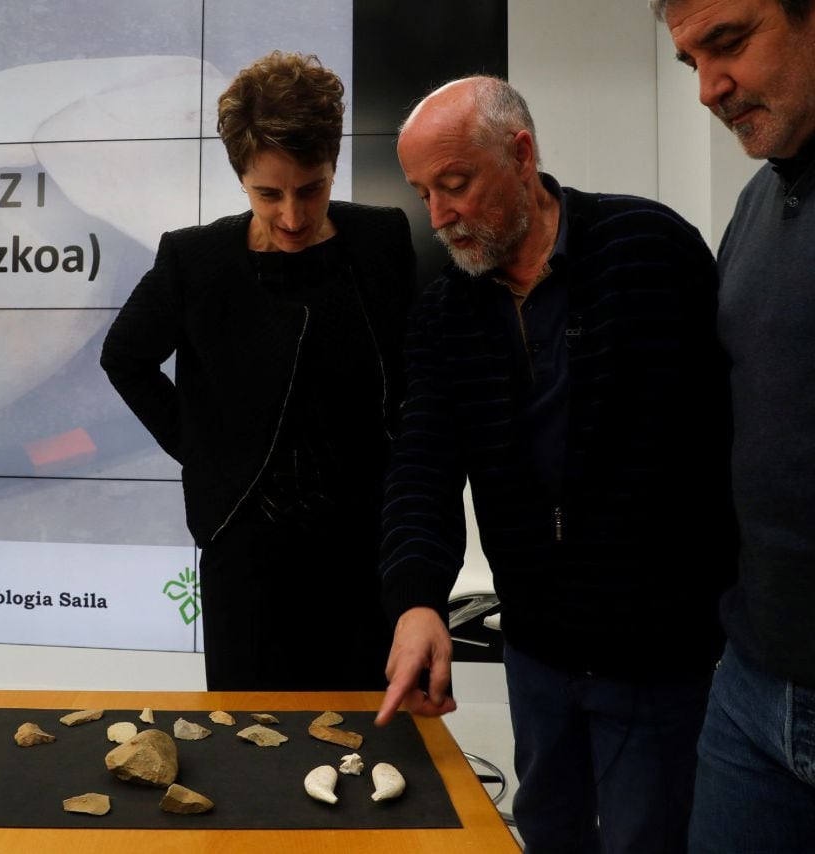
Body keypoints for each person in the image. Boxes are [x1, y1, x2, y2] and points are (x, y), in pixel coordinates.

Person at [374, 75, 735, 853]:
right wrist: (415, 600)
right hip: (536, 652)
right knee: (546, 833)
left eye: (456, 183)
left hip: (658, 660)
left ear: (521, 153)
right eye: (424, 192)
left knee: (648, 840)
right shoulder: (445, 311)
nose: (438, 215)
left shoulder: (648, 248)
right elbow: (422, 465)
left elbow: (729, 433)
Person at [100, 51, 415, 691]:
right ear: (240, 176)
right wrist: (202, 450)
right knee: (250, 745)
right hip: (245, 550)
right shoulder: (196, 259)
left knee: (371, 744)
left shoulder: (381, 240)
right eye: (268, 194)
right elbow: (124, 357)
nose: (293, 216)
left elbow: (409, 376)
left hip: (363, 548)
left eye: (313, 188)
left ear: (333, 166)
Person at [652, 2, 815, 850]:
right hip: (750, 682)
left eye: (730, 42)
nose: (711, 89)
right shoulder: (754, 207)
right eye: (691, 63)